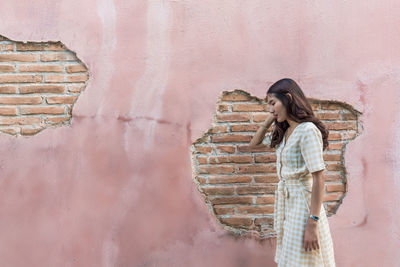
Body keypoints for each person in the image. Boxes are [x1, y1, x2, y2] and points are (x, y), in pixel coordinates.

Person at [250, 78, 336, 266]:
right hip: (289, 204)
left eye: (273, 103)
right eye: (268, 105)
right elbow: (253, 143)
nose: (270, 109)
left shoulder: (307, 131)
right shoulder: (286, 131)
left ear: (288, 98)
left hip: (303, 206)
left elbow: (319, 177)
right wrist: (271, 116)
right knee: (292, 259)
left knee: (304, 261)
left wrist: (313, 222)